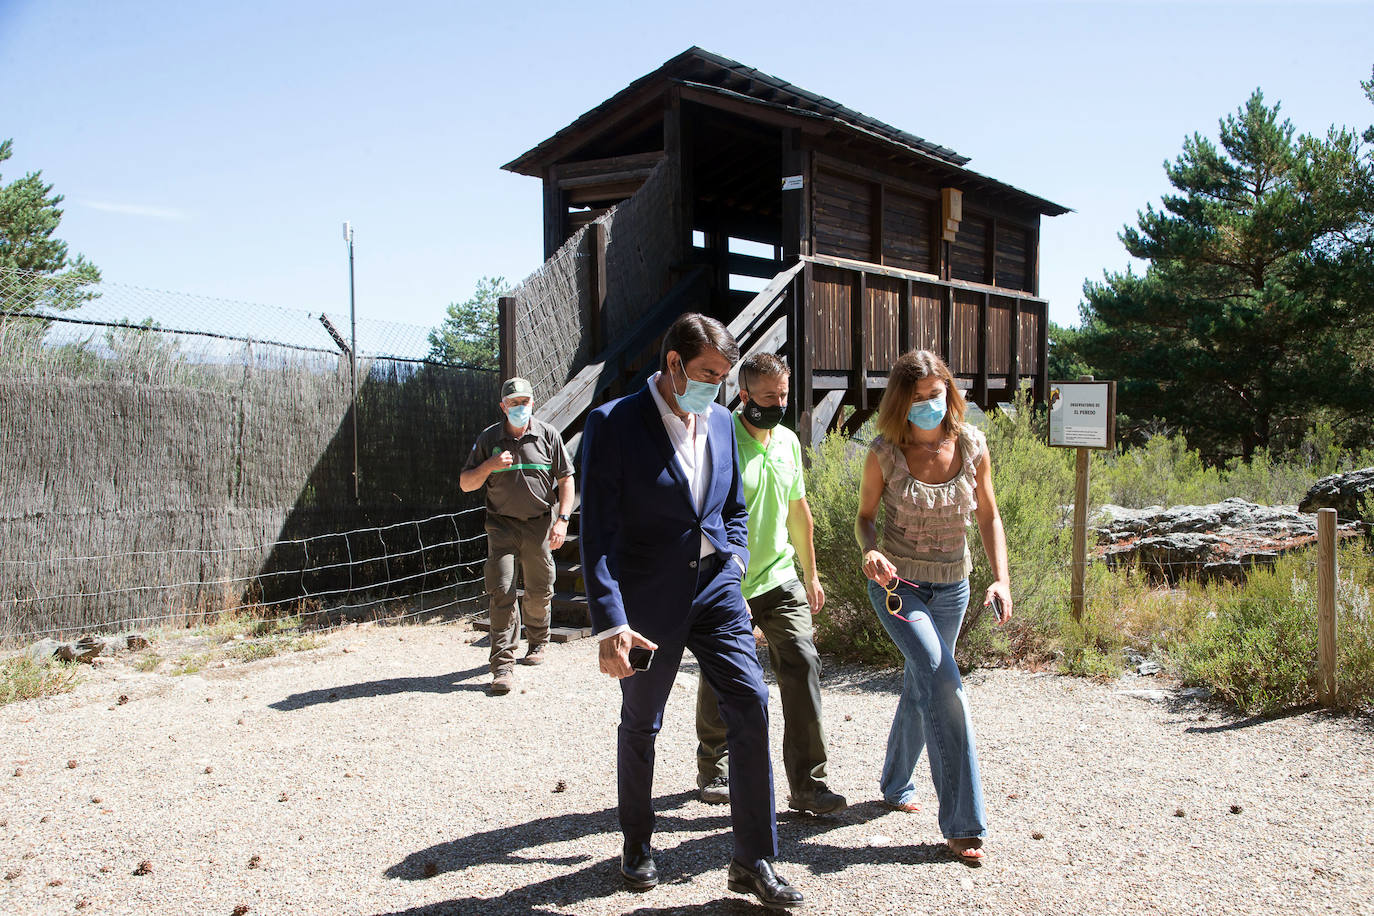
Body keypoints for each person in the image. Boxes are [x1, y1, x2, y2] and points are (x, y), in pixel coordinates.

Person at [580, 313, 803, 908]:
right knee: (643, 720)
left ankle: (754, 860)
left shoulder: (726, 423)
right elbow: (596, 532)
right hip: (647, 603)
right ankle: (636, 841)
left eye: (724, 376)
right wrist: (610, 620)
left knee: (752, 706)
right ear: (673, 364)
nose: (717, 386)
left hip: (717, 593)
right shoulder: (615, 424)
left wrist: (733, 561)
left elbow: (732, 505)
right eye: (707, 373)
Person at [853, 349, 1013, 867]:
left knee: (922, 681)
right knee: (944, 683)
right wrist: (869, 550)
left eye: (936, 393)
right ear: (903, 402)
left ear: (949, 390)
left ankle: (895, 782)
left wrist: (1001, 579)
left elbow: (989, 516)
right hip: (899, 588)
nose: (929, 404)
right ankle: (964, 824)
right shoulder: (884, 452)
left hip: (955, 588)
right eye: (918, 398)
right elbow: (865, 518)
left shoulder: (971, 445)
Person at [693, 352, 846, 817]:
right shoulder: (720, 440)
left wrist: (812, 573)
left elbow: (798, 511)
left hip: (780, 577)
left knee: (801, 659)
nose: (777, 404)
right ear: (744, 396)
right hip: (729, 579)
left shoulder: (788, 443)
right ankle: (714, 763)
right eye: (767, 397)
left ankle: (808, 784)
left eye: (783, 395)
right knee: (723, 672)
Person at [460, 377, 575, 696]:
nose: (520, 407)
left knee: (539, 591)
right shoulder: (488, 439)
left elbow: (567, 480)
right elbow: (466, 483)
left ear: (532, 403)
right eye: (513, 402)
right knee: (502, 592)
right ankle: (502, 666)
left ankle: (538, 641)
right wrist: (490, 465)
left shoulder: (548, 435)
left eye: (524, 402)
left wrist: (562, 520)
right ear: (503, 406)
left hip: (540, 525)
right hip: (501, 527)